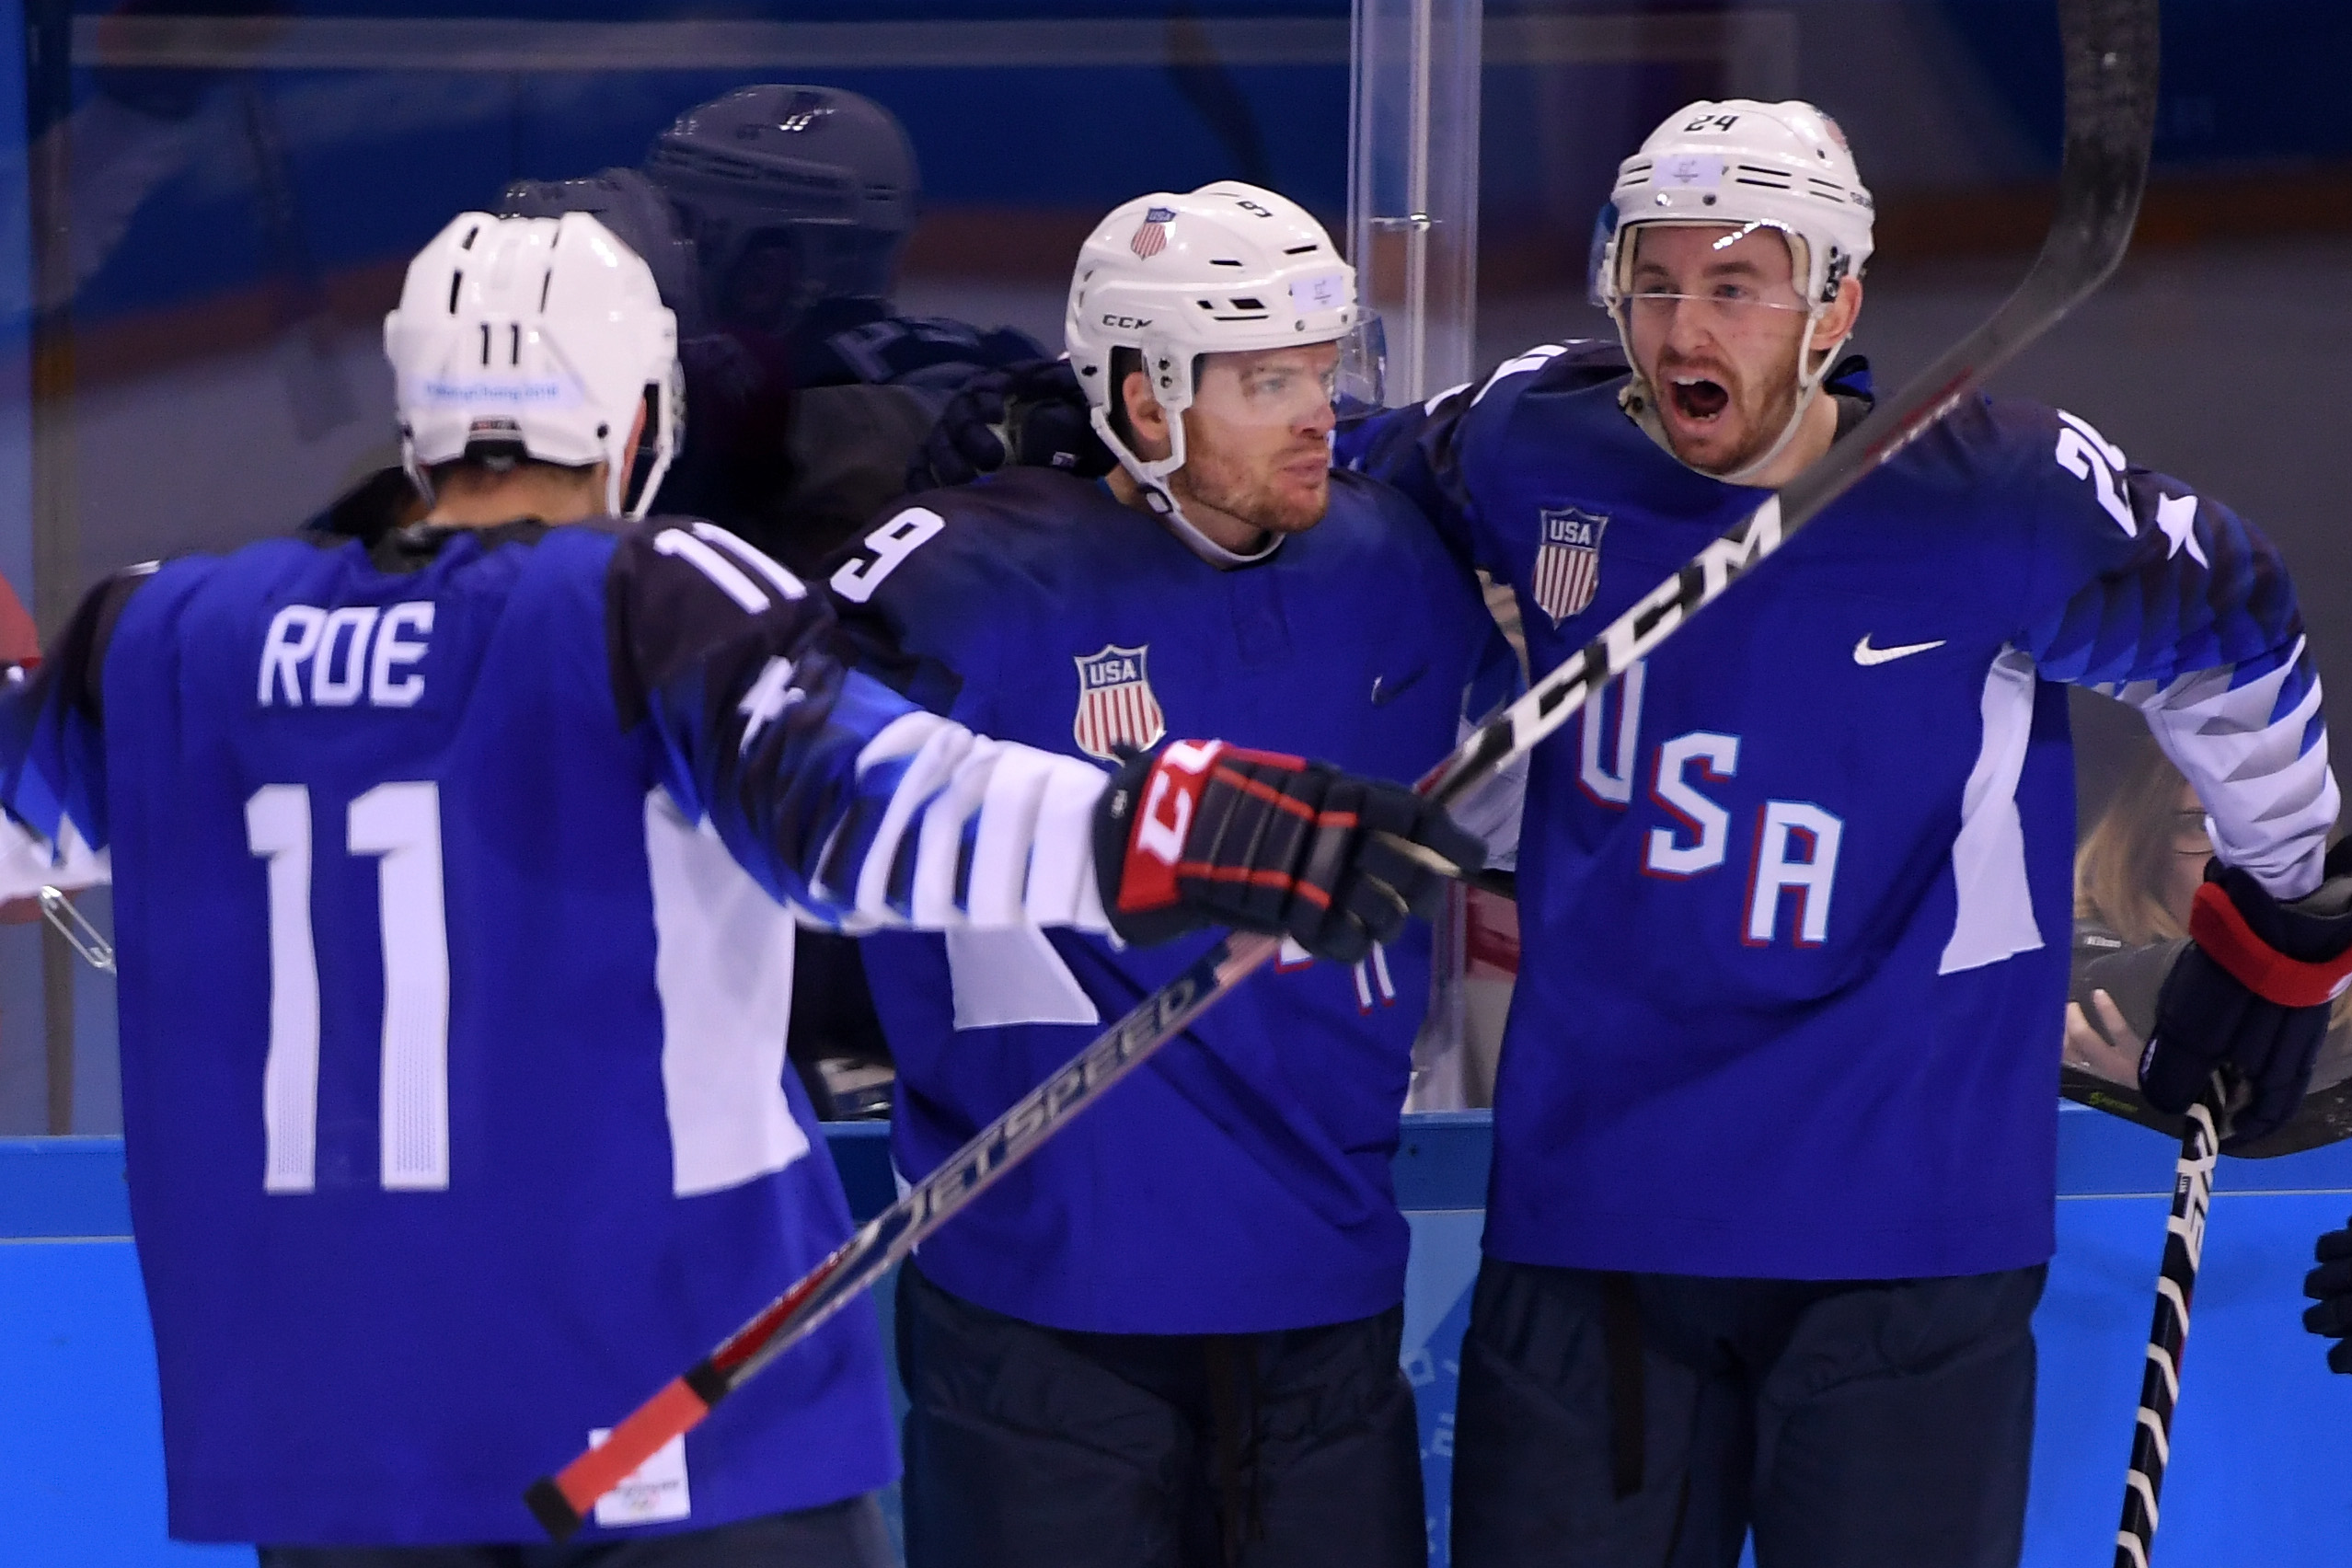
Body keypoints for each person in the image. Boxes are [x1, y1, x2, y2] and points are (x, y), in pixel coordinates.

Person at [927, 99, 2352, 1567]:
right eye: (1655, 280)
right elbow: (1308, 465)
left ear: (1836, 302)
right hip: (1595, 1217)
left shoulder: (2001, 495)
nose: (1684, 325)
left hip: (1904, 1219)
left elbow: (2236, 631)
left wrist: (2283, 913)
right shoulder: (1532, 443)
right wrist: (1095, 429)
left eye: (1736, 285)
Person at [0, 210, 1478, 1566]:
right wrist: (1204, 832)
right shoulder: (641, 605)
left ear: (410, 417)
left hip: (327, 1436)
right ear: (640, 416)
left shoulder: (163, 637)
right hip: (661, 1410)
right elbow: (885, 816)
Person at [832, 182, 1507, 1568]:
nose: (1317, 410)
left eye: (1324, 370)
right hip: (1043, 1311)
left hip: (1323, 1295)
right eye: (1268, 382)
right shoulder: (963, 578)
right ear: (1144, 400)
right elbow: (763, 766)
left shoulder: (1394, 562)